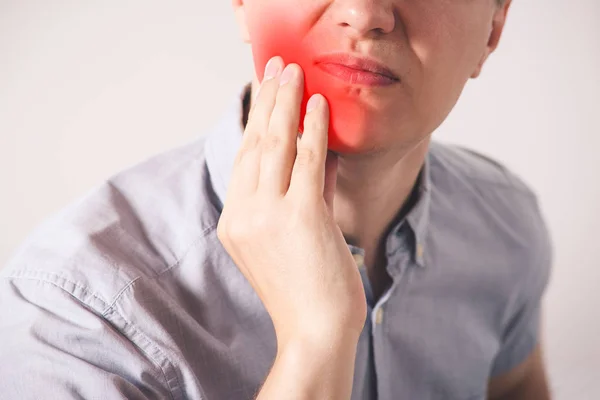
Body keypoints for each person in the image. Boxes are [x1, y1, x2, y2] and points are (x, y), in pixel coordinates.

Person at [0, 0, 553, 398]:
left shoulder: (506, 226)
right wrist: (316, 342)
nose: (365, 13)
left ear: (493, 28)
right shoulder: (77, 312)